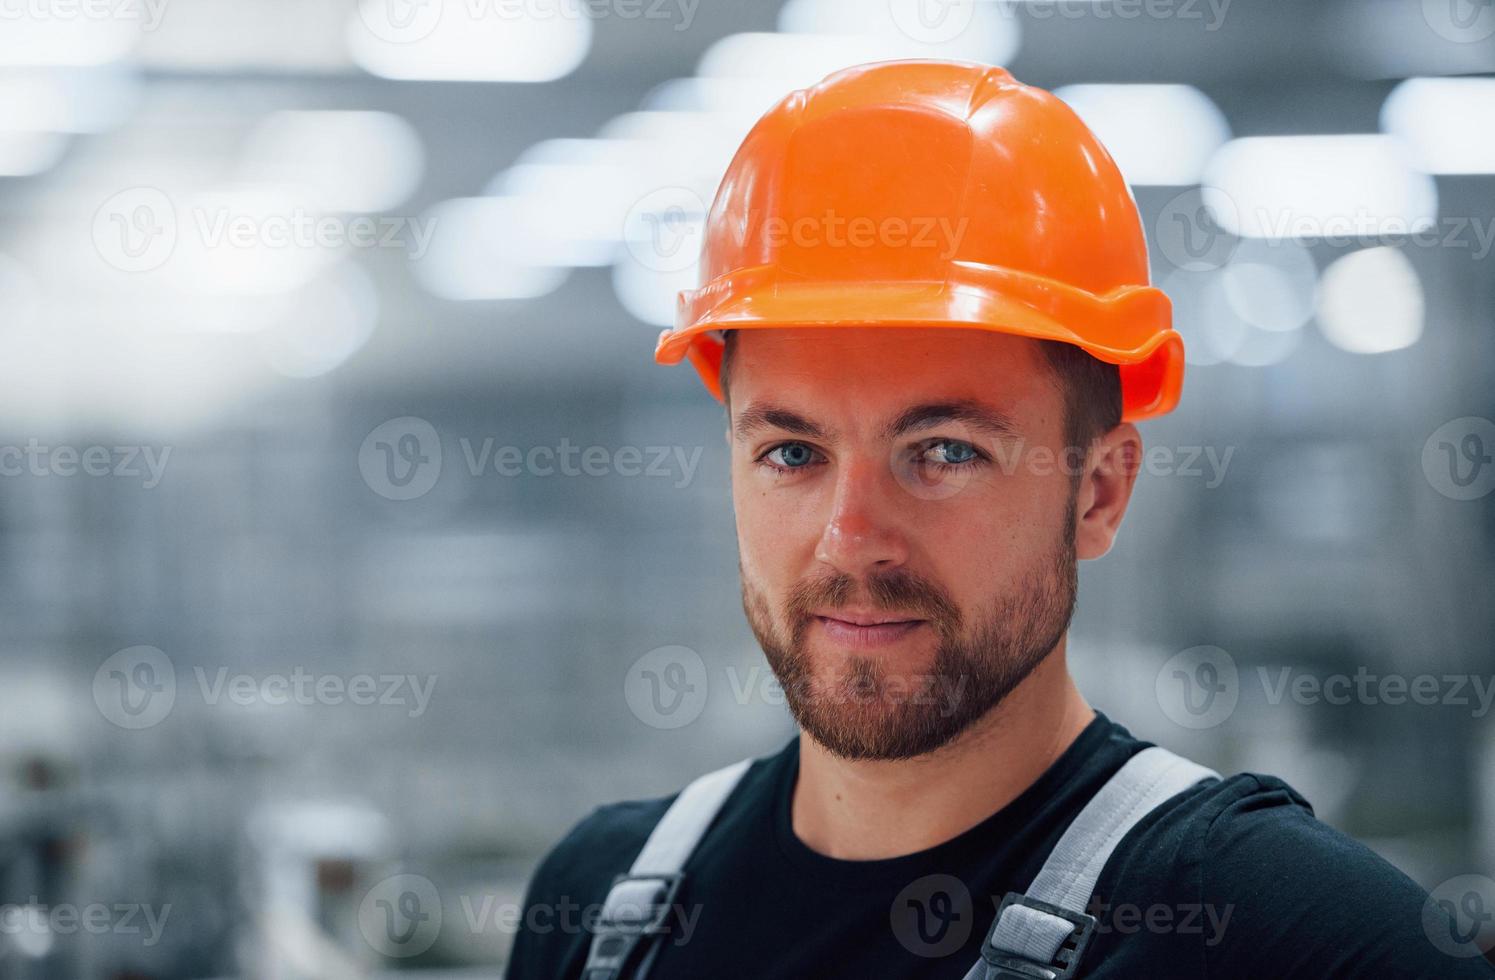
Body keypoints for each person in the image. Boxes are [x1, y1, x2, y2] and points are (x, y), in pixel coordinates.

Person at [505, 60, 1495, 979]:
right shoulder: (600, 907)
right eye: (793, 453)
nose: (850, 538)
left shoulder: (1295, 938)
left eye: (943, 452)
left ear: (1098, 491)